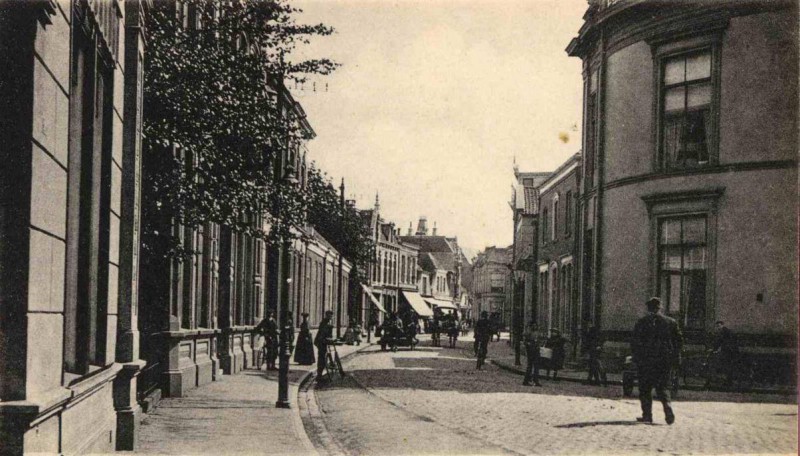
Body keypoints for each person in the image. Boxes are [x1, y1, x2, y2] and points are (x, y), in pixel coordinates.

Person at [632, 297, 683, 425]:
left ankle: (647, 415)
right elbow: (679, 341)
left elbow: (635, 342)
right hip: (664, 361)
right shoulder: (671, 322)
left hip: (646, 361)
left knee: (645, 389)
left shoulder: (642, 322)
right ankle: (667, 407)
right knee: (663, 387)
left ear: (648, 308)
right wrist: (673, 357)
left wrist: (637, 358)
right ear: (660, 308)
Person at [315, 310, 335, 380]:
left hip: (324, 341)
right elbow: (322, 334)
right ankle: (319, 375)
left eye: (331, 316)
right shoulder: (324, 323)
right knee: (321, 358)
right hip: (321, 342)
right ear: (326, 315)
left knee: (323, 357)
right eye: (329, 316)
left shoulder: (328, 322)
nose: (330, 317)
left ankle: (320, 373)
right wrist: (327, 339)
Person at [522, 321, 542, 387]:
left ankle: (536, 381)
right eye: (533, 325)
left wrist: (539, 344)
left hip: (536, 350)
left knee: (536, 366)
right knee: (530, 366)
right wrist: (529, 344)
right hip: (530, 351)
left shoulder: (538, 333)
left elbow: (540, 340)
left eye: (536, 325)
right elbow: (525, 341)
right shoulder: (528, 332)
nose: (535, 327)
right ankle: (526, 380)